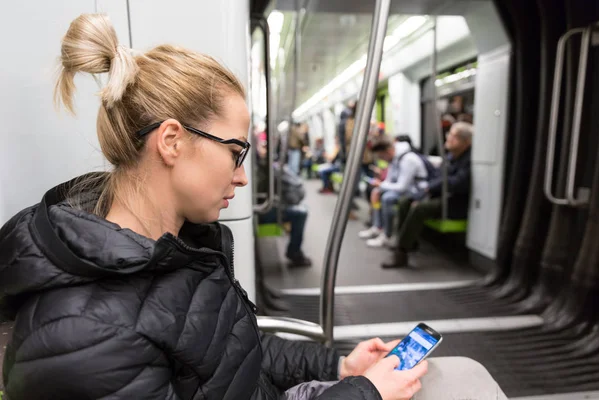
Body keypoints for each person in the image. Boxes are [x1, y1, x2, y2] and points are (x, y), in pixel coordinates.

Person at [0, 14, 508, 400]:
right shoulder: (81, 339)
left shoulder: (179, 246)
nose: (242, 176)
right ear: (173, 141)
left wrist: (337, 368)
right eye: (235, 152)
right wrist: (366, 394)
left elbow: (237, 354)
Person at [382, 122, 473, 268]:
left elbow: (458, 183)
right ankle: (408, 242)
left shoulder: (469, 159)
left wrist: (430, 189)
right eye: (449, 134)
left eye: (454, 136)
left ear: (466, 142)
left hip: (455, 201)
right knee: (406, 201)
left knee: (420, 208)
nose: (448, 137)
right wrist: (428, 189)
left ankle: (401, 252)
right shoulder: (451, 156)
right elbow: (438, 177)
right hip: (441, 194)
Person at [359, 136, 429, 248]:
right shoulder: (395, 159)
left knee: (387, 198)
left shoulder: (408, 159)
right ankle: (378, 227)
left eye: (382, 156)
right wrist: (379, 187)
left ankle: (387, 235)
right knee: (377, 192)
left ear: (388, 151)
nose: (382, 159)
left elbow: (402, 186)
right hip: (407, 189)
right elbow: (390, 180)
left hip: (417, 191)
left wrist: (381, 185)